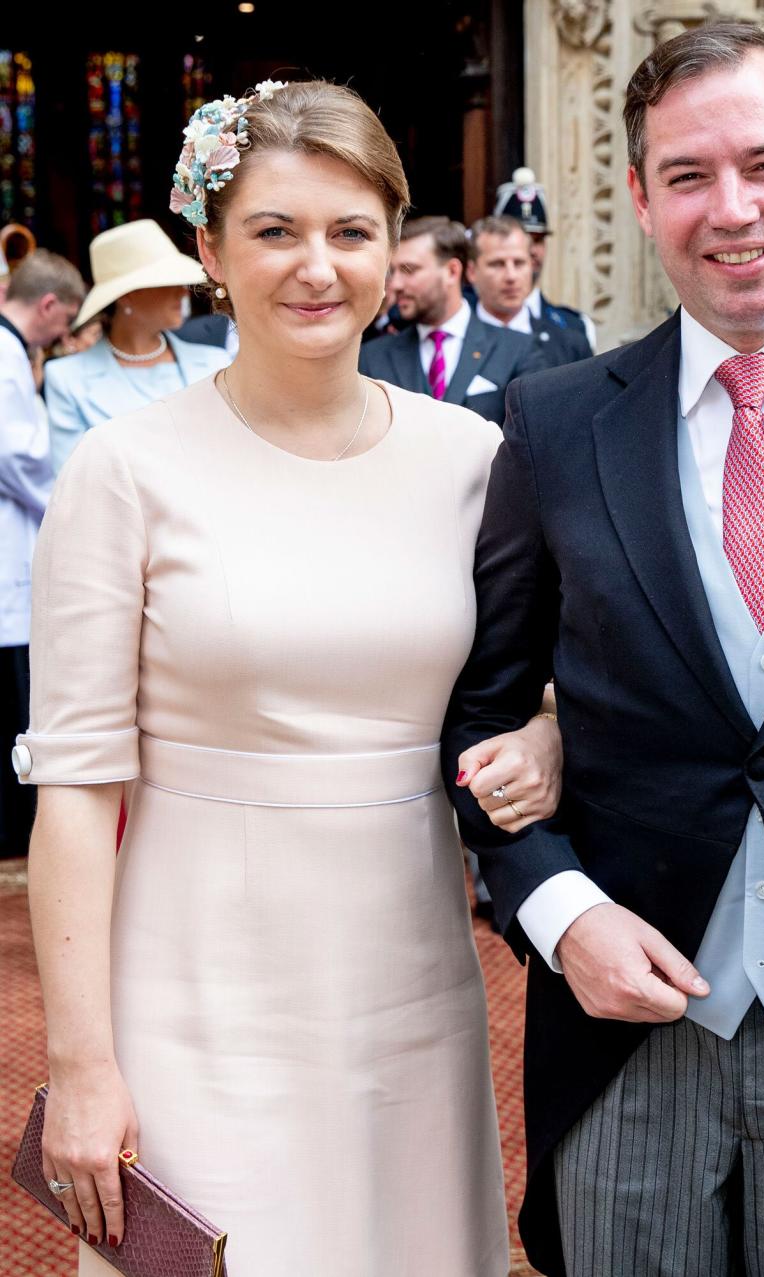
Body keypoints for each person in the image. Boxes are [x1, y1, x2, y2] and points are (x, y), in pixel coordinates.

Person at [17, 79, 563, 1277]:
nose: (316, 267)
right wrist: (85, 1063)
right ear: (211, 251)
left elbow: (549, 683)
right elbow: (73, 788)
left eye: (350, 232)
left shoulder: (478, 462)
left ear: (395, 249)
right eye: (274, 231)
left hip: (413, 986)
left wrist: (547, 738)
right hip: (192, 995)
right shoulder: (123, 473)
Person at [443, 22, 764, 1277]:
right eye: (687, 174)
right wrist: (563, 917)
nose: (733, 210)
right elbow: (479, 724)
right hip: (627, 1039)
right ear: (638, 195)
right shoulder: (554, 425)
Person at [0, 250, 84, 860]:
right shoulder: (6, 354)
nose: (64, 335)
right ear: (49, 305)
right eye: (66, 319)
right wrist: (70, 506)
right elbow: (19, 454)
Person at [44, 219, 229, 473]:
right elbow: (71, 480)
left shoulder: (216, 363)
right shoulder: (67, 379)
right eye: (167, 282)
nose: (183, 294)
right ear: (127, 295)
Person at [360, 215, 545, 424]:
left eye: (409, 270)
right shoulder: (372, 357)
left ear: (451, 271)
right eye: (393, 272)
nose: (396, 285)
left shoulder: (519, 349)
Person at [493, 166, 597, 351]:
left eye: (538, 240)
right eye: (522, 238)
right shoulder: (468, 318)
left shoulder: (574, 327)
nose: (531, 250)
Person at [468, 216, 592, 369]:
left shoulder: (569, 343)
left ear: (532, 266)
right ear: (472, 271)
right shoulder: (451, 343)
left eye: (519, 263)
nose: (511, 276)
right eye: (497, 264)